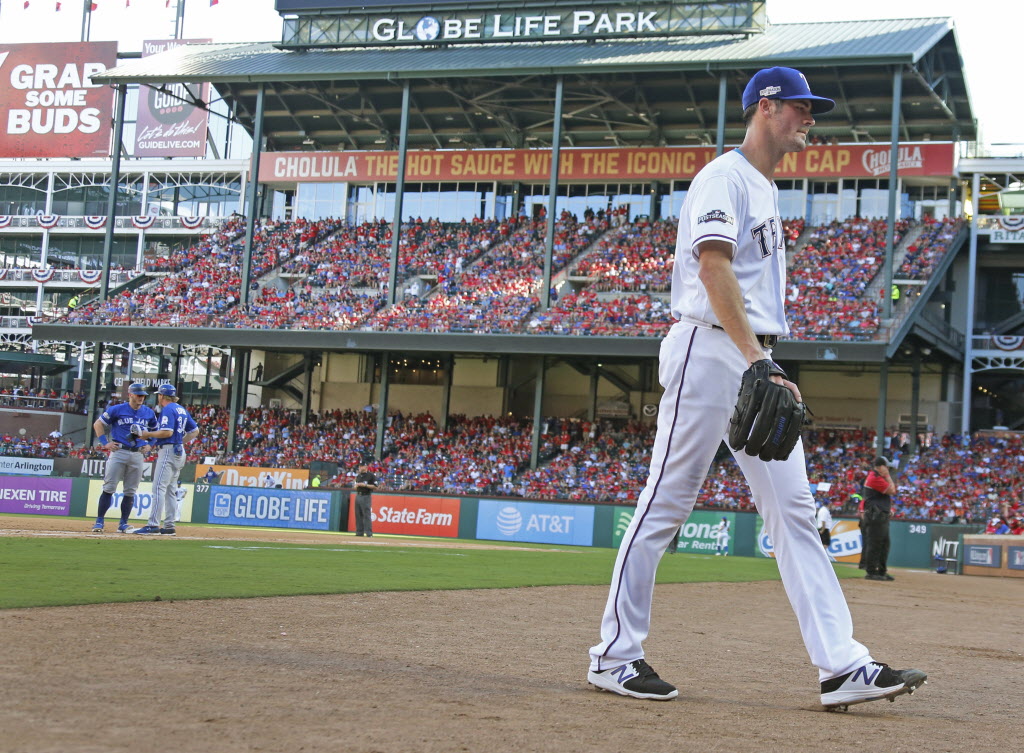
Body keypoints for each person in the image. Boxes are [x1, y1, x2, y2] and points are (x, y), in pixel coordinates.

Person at [586, 67, 926, 710]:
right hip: (709, 348)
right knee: (665, 504)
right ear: (767, 107)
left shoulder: (765, 188)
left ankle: (841, 667)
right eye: (801, 108)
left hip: (750, 353)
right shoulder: (725, 177)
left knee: (796, 514)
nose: (810, 120)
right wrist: (755, 360)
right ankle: (613, 654)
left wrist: (761, 359)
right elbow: (712, 267)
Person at [133, 384, 198, 536]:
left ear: (161, 396)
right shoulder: (181, 409)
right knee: (170, 489)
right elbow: (195, 431)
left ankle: (153, 525)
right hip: (179, 451)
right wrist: (180, 442)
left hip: (169, 450)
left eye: (159, 395)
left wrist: (147, 434)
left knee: (158, 488)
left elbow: (167, 432)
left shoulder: (168, 409)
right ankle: (169, 525)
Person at [91, 383, 156, 533]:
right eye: (138, 395)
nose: (141, 398)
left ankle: (123, 523)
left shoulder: (148, 412)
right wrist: (105, 443)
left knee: (130, 491)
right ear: (130, 395)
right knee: (109, 487)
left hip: (137, 453)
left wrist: (151, 444)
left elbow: (156, 431)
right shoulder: (117, 409)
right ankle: (99, 521)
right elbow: (98, 424)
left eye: (143, 395)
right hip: (119, 451)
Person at [862, 457, 896, 581]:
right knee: (875, 544)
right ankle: (871, 571)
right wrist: (888, 476)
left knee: (884, 544)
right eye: (886, 467)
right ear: (880, 466)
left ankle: (881, 571)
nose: (887, 469)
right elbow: (892, 490)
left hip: (881, 515)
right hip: (875, 516)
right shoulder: (874, 477)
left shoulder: (877, 477)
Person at [353, 462, 378, 537]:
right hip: (358, 495)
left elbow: (376, 487)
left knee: (366, 515)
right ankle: (359, 532)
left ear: (366, 467)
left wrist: (365, 485)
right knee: (358, 514)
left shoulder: (370, 476)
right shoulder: (358, 476)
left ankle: (368, 533)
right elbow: (354, 486)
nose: (360, 468)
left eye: (361, 466)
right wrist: (356, 486)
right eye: (359, 466)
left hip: (366, 496)